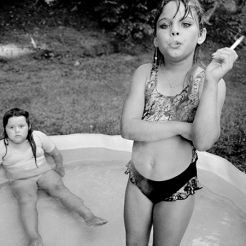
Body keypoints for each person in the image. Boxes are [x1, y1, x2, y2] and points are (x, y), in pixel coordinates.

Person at [121, 0, 238, 245]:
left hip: (177, 185)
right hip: (138, 179)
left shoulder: (211, 83)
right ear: (155, 39)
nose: (174, 31)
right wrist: (182, 127)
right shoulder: (144, 74)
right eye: (165, 25)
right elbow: (128, 128)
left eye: (185, 24)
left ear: (201, 35)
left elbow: (204, 140)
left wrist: (211, 83)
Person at [0, 108, 107, 246]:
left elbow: (55, 153)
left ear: (29, 126)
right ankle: (34, 237)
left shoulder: (38, 137)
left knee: (59, 189)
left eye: (21, 126)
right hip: (21, 180)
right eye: (11, 127)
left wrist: (59, 166)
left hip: (44, 173)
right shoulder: (2, 147)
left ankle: (88, 216)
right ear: (5, 128)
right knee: (26, 200)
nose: (17, 131)